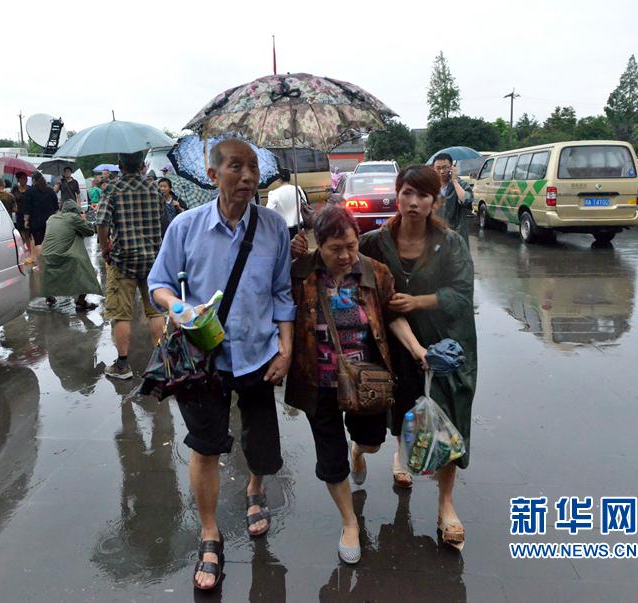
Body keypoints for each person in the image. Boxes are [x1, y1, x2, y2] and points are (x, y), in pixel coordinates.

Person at [148, 139, 295, 591]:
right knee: (206, 445)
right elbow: (159, 283)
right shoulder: (185, 227)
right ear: (213, 175)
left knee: (260, 439)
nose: (248, 177)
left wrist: (286, 350)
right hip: (201, 358)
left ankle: (254, 488)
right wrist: (178, 307)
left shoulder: (273, 227)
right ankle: (209, 531)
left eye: (253, 167)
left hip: (258, 353)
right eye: (236, 167)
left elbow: (283, 294)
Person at [285, 205, 427, 564]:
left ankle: (358, 450)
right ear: (318, 243)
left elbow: (393, 317)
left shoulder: (374, 272)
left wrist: (416, 349)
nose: (346, 255)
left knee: (372, 443)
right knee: (331, 461)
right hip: (318, 382)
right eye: (335, 249)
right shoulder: (300, 273)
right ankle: (349, 522)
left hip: (367, 383)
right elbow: (277, 311)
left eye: (350, 245)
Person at [358, 166, 477, 550]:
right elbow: (344, 272)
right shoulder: (375, 242)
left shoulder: (451, 242)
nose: (413, 202)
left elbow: (462, 295)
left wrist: (419, 301)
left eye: (423, 196)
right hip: (389, 344)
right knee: (397, 407)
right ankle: (387, 449)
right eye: (407, 192)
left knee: (447, 419)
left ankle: (446, 505)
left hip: (443, 344)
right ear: (397, 194)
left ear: (434, 201)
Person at [96, 151, 164, 380]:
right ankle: (161, 362)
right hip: (153, 260)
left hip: (123, 260)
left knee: (121, 314)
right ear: (143, 165)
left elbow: (102, 223)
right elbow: (163, 219)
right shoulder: (154, 188)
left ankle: (123, 366)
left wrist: (105, 248)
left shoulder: (112, 190)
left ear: (119, 166)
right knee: (155, 310)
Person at [39, 200, 103, 311]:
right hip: (64, 257)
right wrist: (83, 219)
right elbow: (90, 231)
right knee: (91, 272)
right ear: (76, 211)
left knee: (52, 276)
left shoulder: (51, 218)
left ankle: (49, 298)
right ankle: (81, 302)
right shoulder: (73, 217)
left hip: (46, 256)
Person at [432, 153, 474, 242]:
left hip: (456, 235)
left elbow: (466, 201)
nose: (442, 171)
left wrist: (454, 181)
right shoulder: (430, 186)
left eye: (445, 167)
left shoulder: (461, 184)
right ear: (434, 169)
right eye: (438, 168)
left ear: (451, 168)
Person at [23, 171, 59, 258]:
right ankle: (50, 259)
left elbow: (27, 209)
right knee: (49, 242)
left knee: (38, 243)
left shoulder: (30, 191)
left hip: (36, 222)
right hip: (50, 222)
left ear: (34, 180)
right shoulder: (50, 191)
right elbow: (56, 208)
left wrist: (26, 221)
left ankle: (40, 262)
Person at [266, 168, 307, 239]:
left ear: (279, 179)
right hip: (298, 225)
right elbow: (304, 202)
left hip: (283, 226)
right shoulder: (298, 189)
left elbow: (269, 210)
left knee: (286, 247)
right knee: (299, 247)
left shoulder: (274, 193)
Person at [10, 171, 31, 252]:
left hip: (28, 214)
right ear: (19, 180)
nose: (24, 180)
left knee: (28, 233)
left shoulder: (29, 189)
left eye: (25, 179)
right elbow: (11, 198)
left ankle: (29, 250)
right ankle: (22, 248)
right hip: (18, 213)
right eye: (22, 179)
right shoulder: (15, 189)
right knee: (20, 232)